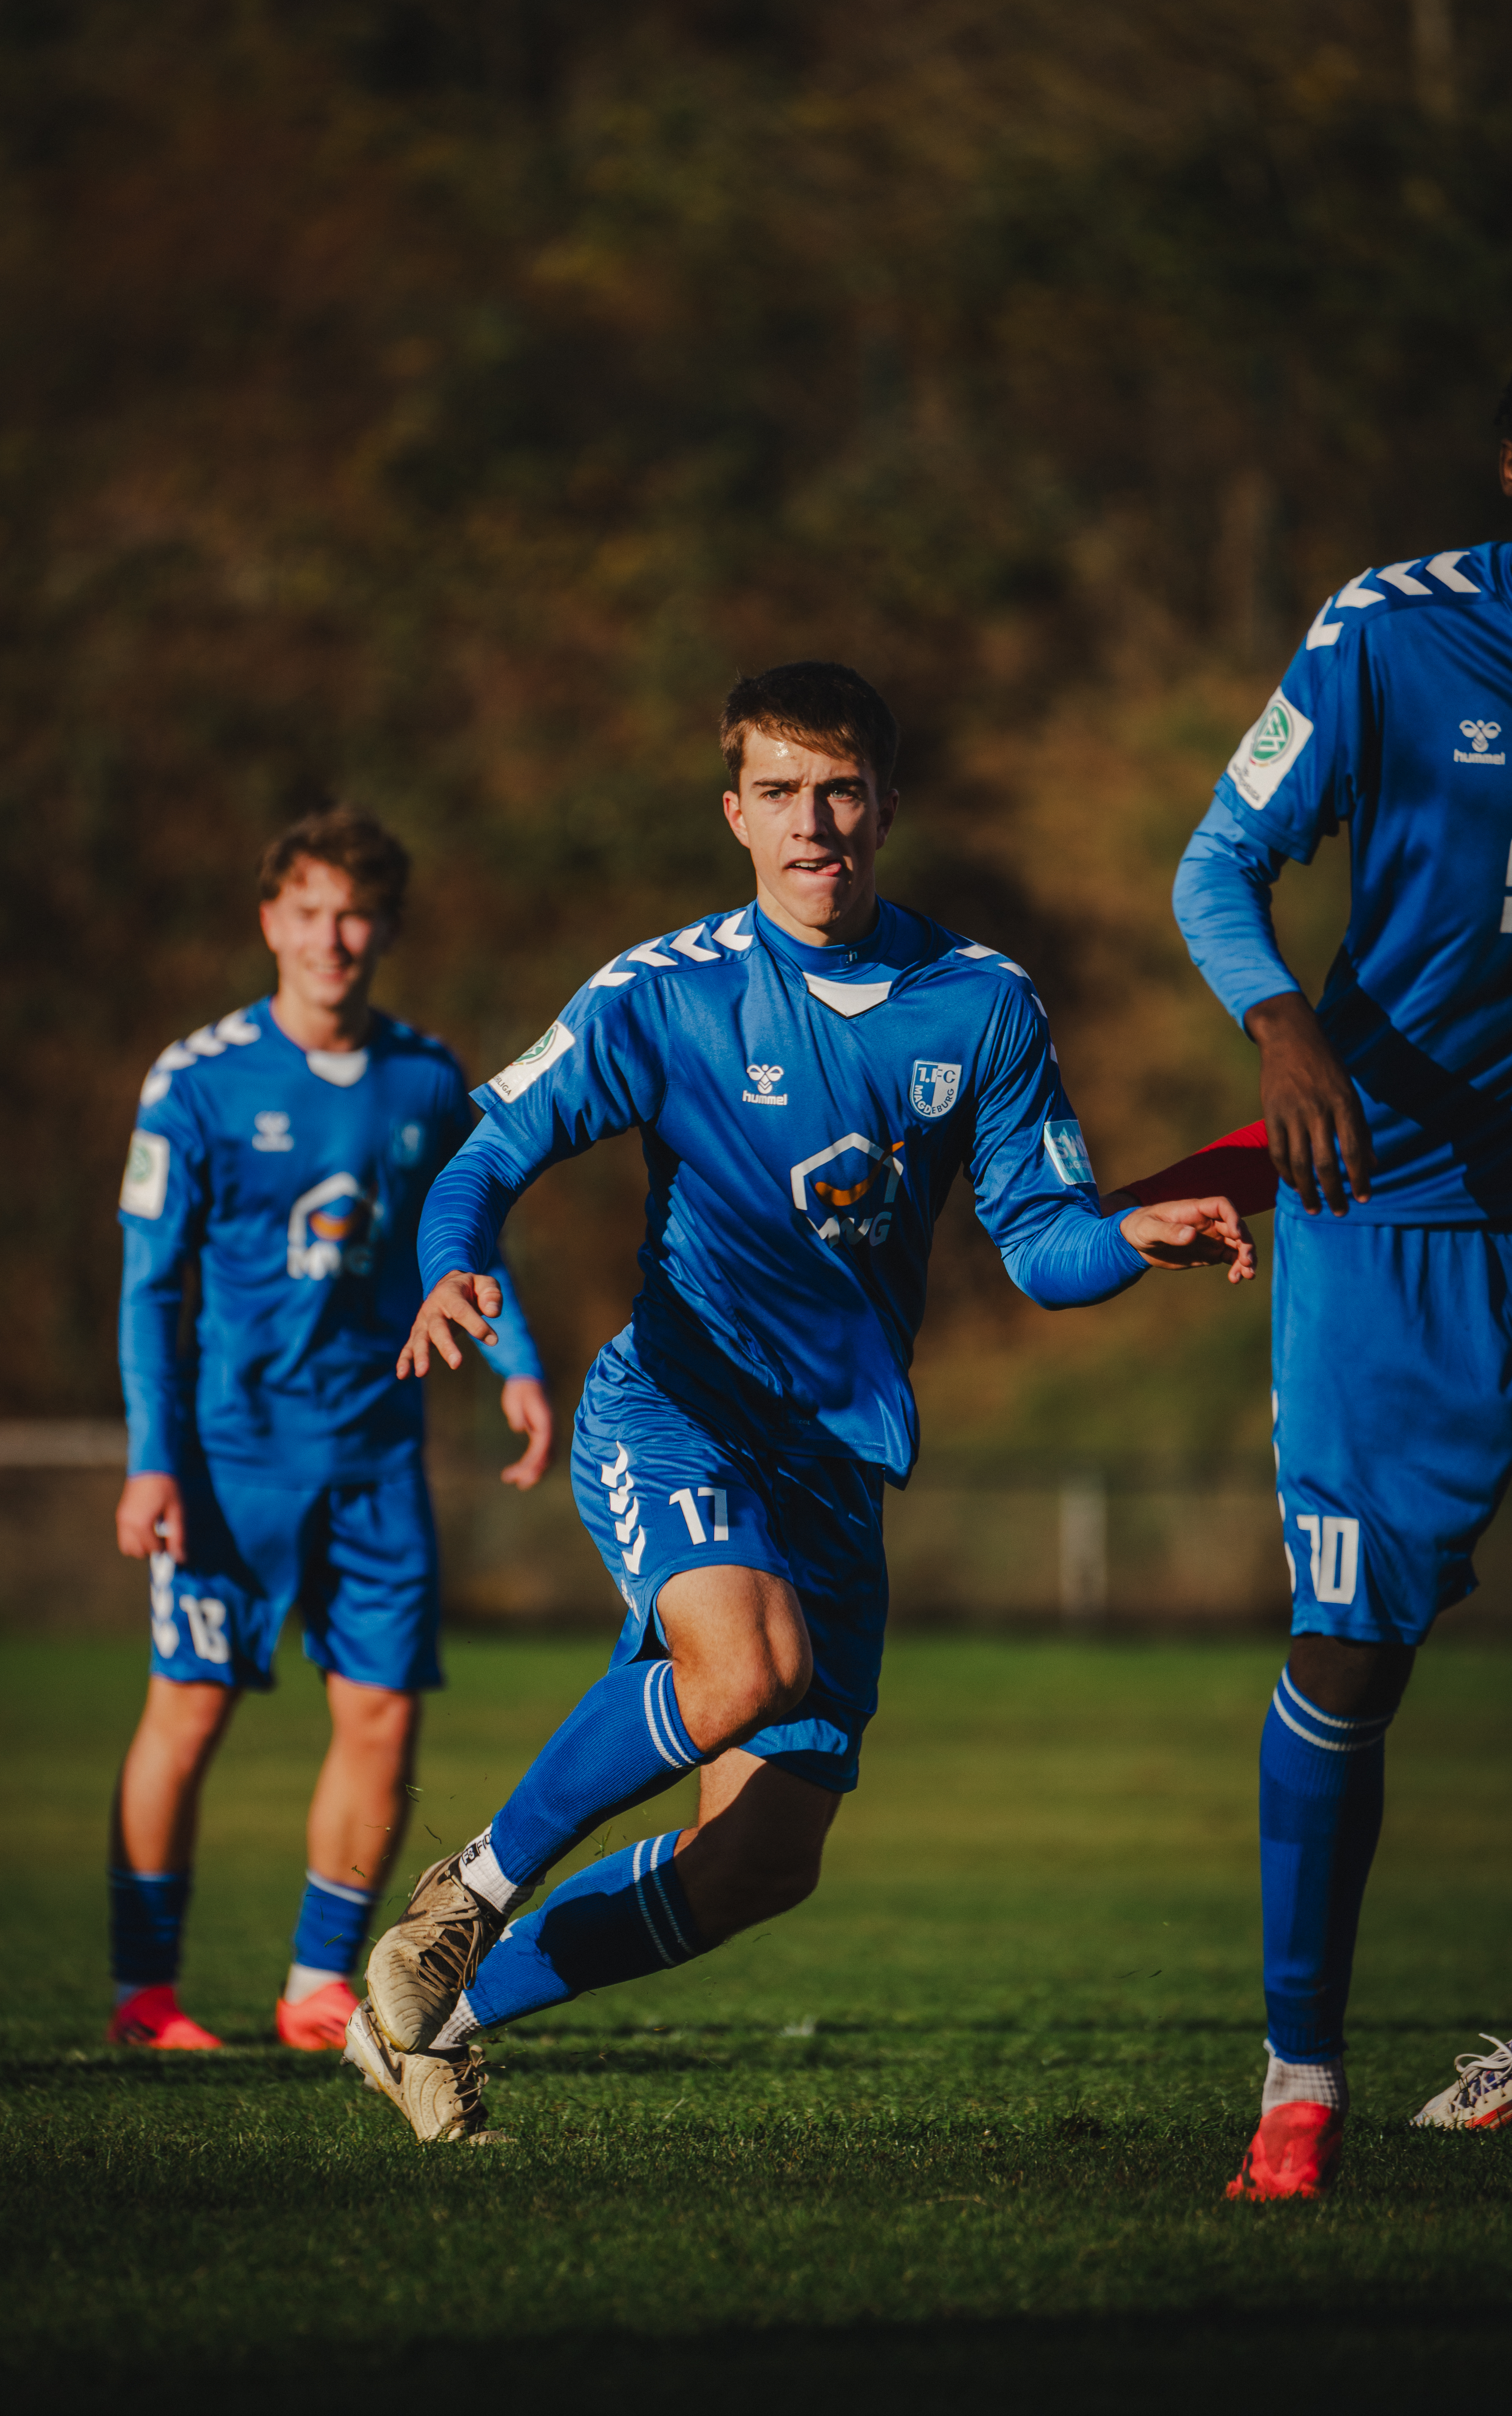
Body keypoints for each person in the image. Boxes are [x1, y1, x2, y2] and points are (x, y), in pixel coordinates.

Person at [337, 660, 1254, 2143]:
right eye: (780, 794)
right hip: (677, 1404)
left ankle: (437, 2013)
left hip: (837, 1461)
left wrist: (1131, 1239)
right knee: (743, 1667)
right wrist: (452, 1268)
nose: (814, 824)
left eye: (840, 791)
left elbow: (1045, 1247)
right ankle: (461, 1902)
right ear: (735, 816)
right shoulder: (668, 994)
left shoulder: (983, 1004)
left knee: (765, 1862)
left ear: (887, 806)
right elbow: (481, 1157)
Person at [1118, 393, 1512, 2197]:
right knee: (1352, 1653)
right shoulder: (1394, 627)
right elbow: (1215, 863)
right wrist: (1280, 1025)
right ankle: (1299, 2080)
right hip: (1389, 1212)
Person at [109, 806, 553, 2053]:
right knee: (188, 1712)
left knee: (383, 1719)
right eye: (307, 912)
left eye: (355, 914)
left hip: (376, 1460)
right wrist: (153, 1457)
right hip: (229, 1462)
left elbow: (464, 1242)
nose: (331, 938)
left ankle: (316, 1986)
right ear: (270, 923)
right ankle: (147, 1996)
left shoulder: (425, 1079)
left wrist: (514, 1362)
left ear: (388, 930)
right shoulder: (195, 1080)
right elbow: (151, 1285)